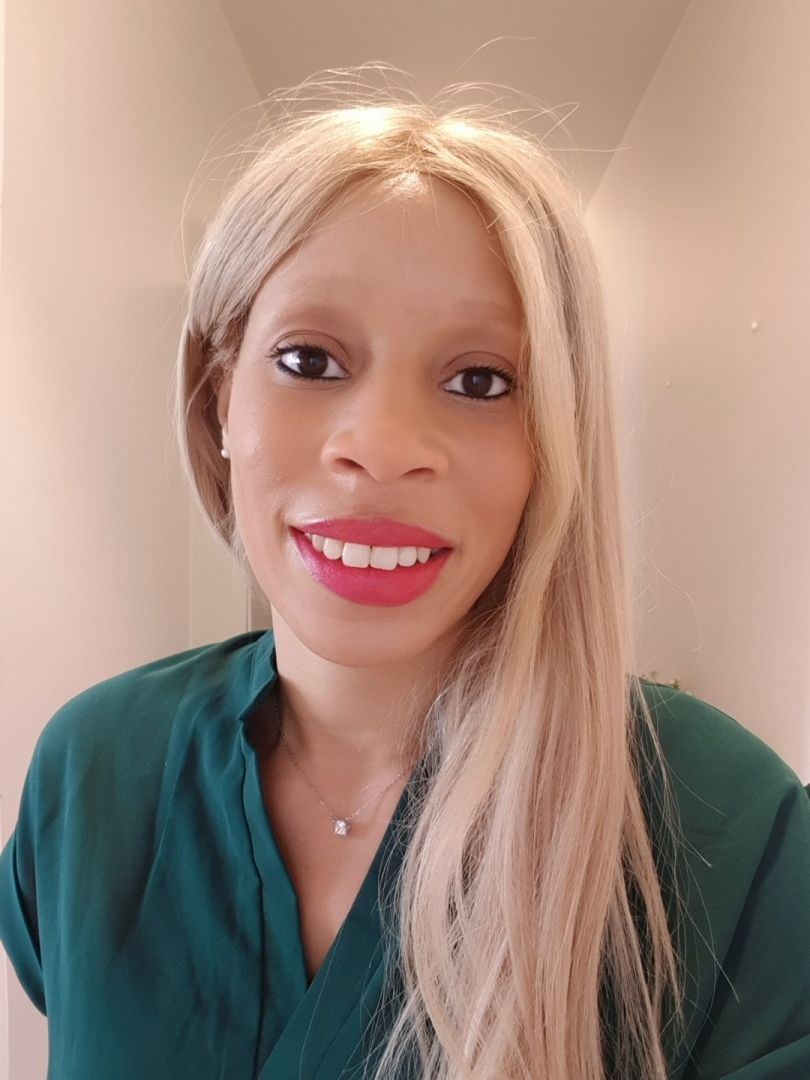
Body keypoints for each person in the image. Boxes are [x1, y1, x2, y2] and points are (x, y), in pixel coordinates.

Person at [1, 83, 809, 1080]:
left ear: (554, 441)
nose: (382, 448)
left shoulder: (729, 827)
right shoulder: (94, 770)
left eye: (481, 381)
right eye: (308, 359)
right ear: (218, 403)